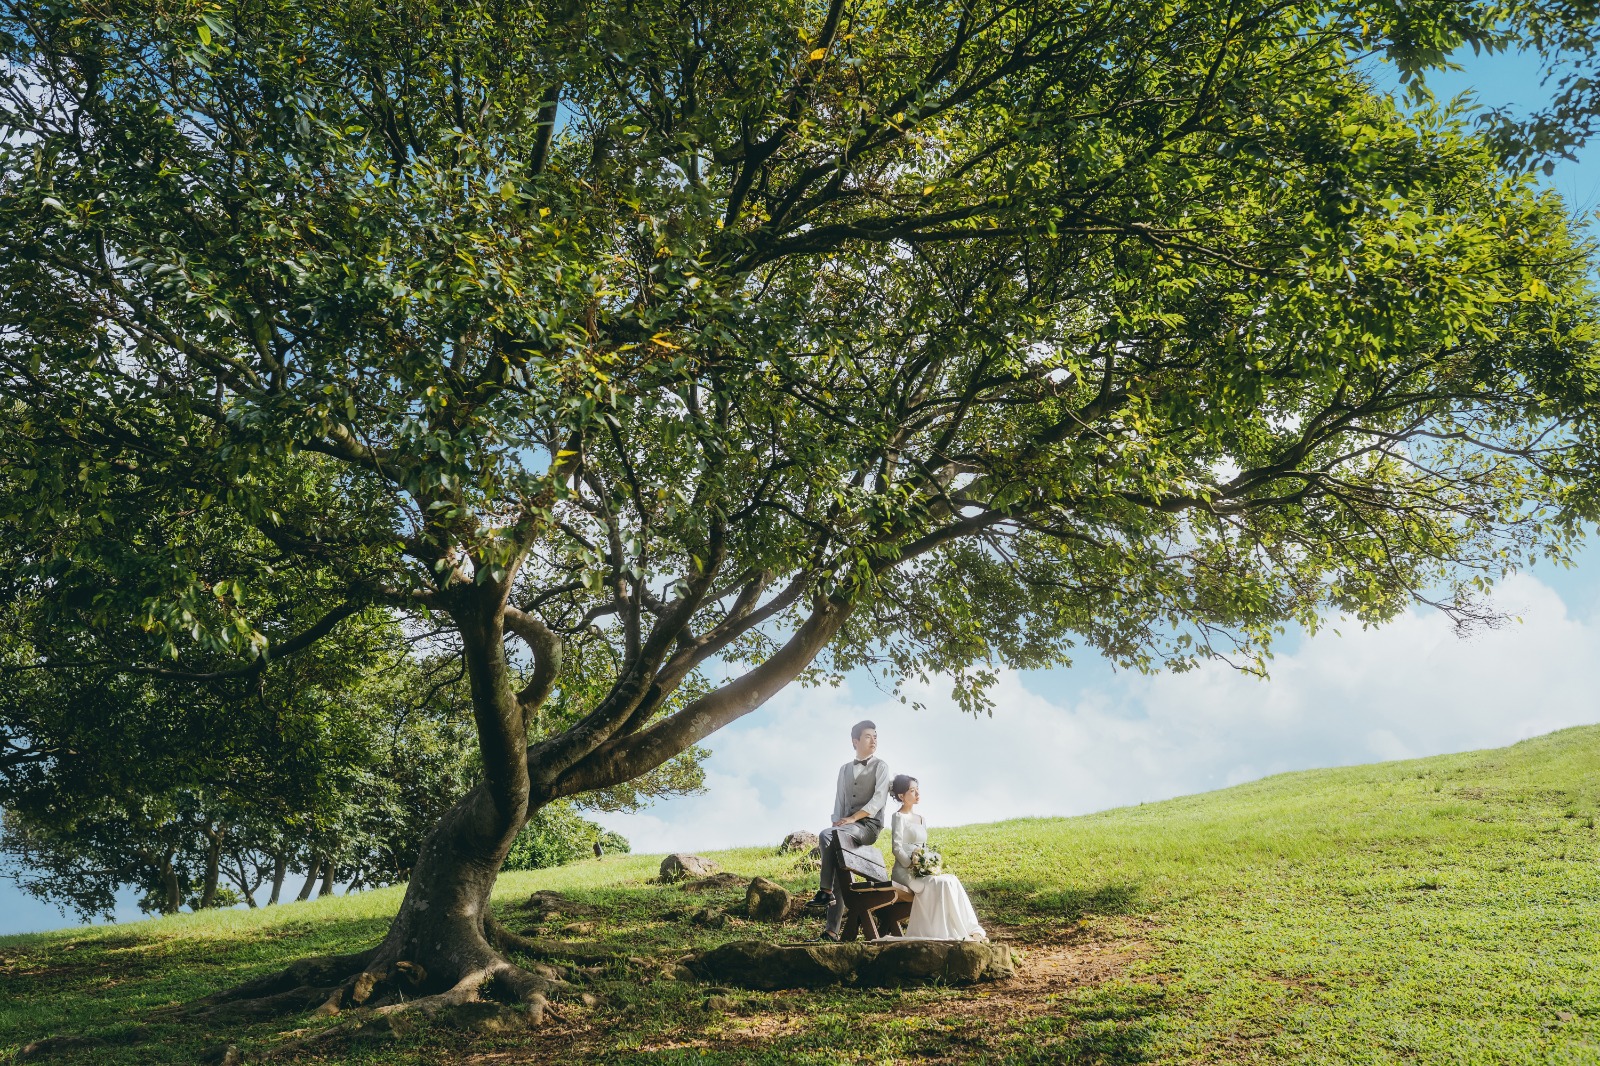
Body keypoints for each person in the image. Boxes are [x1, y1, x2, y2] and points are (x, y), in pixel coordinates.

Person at [806, 720, 891, 941]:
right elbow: (839, 801)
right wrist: (838, 821)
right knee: (839, 868)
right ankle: (831, 932)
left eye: (875, 736)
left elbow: (879, 799)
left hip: (867, 826)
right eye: (868, 736)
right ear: (855, 741)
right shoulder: (844, 769)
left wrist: (852, 819)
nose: (874, 740)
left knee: (827, 835)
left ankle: (825, 893)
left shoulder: (881, 766)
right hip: (846, 827)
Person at [888, 774, 987, 941]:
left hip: (922, 872)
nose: (917, 793)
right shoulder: (898, 817)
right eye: (912, 791)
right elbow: (896, 848)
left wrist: (927, 863)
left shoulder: (921, 819)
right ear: (901, 796)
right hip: (904, 873)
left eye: (917, 789)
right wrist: (912, 864)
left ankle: (972, 929)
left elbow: (924, 848)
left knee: (951, 880)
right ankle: (951, 931)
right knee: (939, 884)